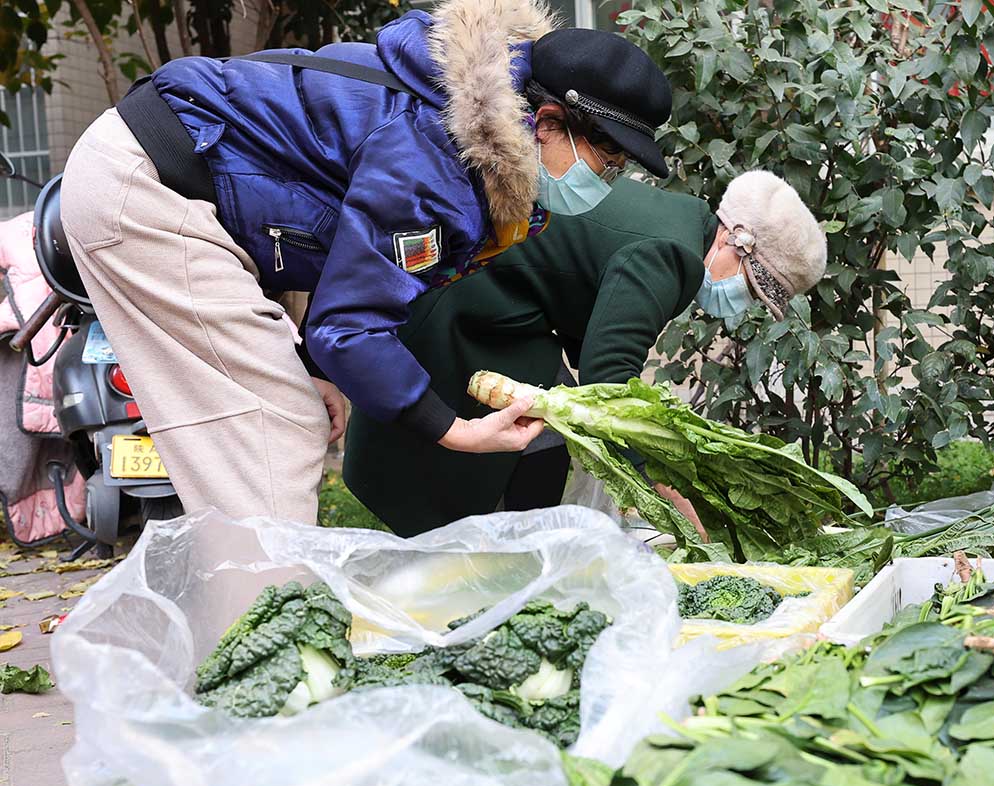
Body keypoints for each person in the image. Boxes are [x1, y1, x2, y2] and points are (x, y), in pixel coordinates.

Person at [58, 0, 674, 524]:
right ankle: (265, 637)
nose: (608, 180)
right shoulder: (437, 158)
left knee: (277, 417)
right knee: (271, 430)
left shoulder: (466, 134)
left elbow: (347, 269)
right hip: (148, 187)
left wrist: (307, 363)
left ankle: (252, 619)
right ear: (547, 123)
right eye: (608, 161)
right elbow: (352, 323)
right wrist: (458, 431)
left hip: (171, 184)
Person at [343, 170, 829, 537]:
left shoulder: (683, 222)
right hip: (465, 315)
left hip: (502, 312)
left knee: (543, 444)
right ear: (733, 239)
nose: (740, 301)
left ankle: (513, 567)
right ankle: (491, 576)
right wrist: (665, 489)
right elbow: (608, 378)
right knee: (514, 456)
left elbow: (588, 308)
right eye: (748, 286)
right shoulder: (672, 254)